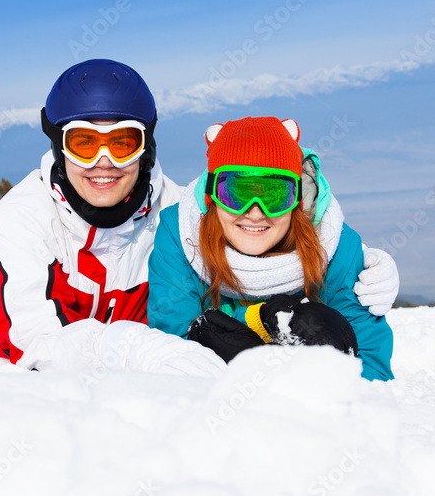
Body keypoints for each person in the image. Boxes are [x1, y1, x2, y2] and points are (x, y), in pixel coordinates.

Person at [0, 61, 398, 377]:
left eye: (124, 142)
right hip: (48, 368)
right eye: (84, 143)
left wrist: (349, 257)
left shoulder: (176, 212)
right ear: (59, 146)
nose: (105, 163)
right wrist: (137, 348)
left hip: (136, 369)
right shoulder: (23, 218)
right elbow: (32, 342)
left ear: (146, 146)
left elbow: (244, 195)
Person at [146, 116, 395, 380]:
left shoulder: (335, 248)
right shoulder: (183, 237)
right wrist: (256, 323)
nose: (255, 213)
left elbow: (372, 369)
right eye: (236, 193)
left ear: (296, 199)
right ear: (213, 197)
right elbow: (173, 355)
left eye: (274, 195)